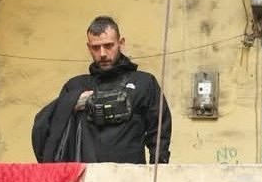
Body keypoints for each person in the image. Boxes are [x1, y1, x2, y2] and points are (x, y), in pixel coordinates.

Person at [33, 16, 171, 163]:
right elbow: (49, 132)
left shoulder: (144, 83)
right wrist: (71, 104)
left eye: (108, 45)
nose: (102, 53)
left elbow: (159, 133)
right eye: (96, 47)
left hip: (131, 174)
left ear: (121, 43)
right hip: (86, 174)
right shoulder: (75, 86)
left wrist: (158, 169)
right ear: (88, 47)